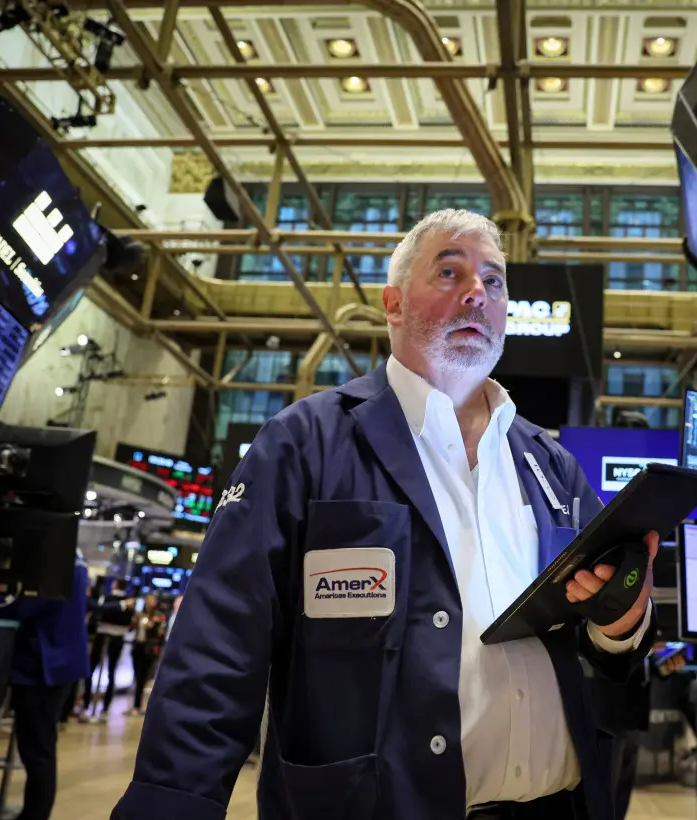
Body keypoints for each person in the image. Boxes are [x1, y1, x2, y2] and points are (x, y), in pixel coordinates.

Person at [113, 209, 660, 820]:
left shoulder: (549, 464)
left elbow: (608, 643)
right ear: (393, 304)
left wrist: (620, 623)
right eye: (450, 271)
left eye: (494, 280)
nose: (477, 292)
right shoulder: (304, 445)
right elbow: (217, 648)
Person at [3, 549, 91, 820]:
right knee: (41, 748)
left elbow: (26, 605)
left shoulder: (52, 550)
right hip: (60, 660)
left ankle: (34, 815)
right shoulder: (73, 553)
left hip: (43, 663)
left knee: (37, 750)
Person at [82, 577, 133, 722]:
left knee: (94, 669)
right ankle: (103, 707)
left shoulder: (107, 599)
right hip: (116, 638)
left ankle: (88, 704)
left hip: (104, 636)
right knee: (111, 671)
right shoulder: (127, 602)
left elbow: (99, 614)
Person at [126, 593, 167, 716]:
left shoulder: (159, 616)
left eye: (152, 600)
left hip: (149, 650)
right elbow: (131, 628)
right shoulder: (139, 615)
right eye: (148, 600)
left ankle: (139, 705)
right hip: (137, 647)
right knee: (136, 675)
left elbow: (161, 634)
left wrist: (155, 625)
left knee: (144, 677)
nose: (150, 602)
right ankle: (134, 705)